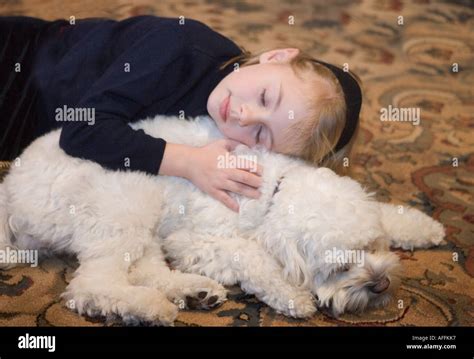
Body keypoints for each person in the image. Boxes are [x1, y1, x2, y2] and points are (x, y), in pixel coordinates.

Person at [0, 15, 362, 212]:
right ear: (275, 56)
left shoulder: (225, 122)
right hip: (19, 72)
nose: (243, 115)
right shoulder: (179, 47)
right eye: (266, 97)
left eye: (262, 135)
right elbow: (80, 131)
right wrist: (184, 161)